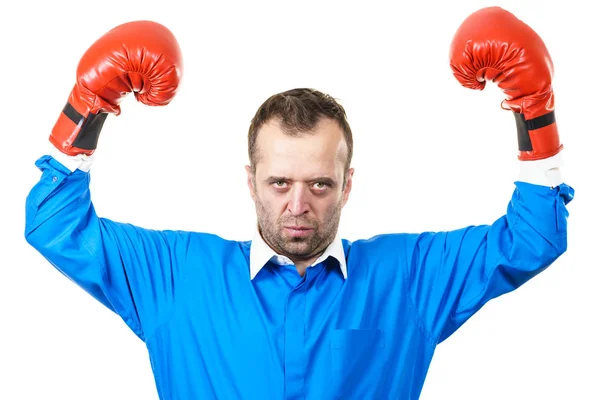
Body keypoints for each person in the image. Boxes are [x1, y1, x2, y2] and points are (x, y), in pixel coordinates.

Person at [24, 7, 574, 400]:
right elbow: (54, 225)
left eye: (320, 185)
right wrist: (87, 103)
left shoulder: (408, 277)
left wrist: (534, 111)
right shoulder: (175, 275)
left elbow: (532, 238)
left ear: (348, 184)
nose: (298, 205)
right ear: (251, 181)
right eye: (280, 182)